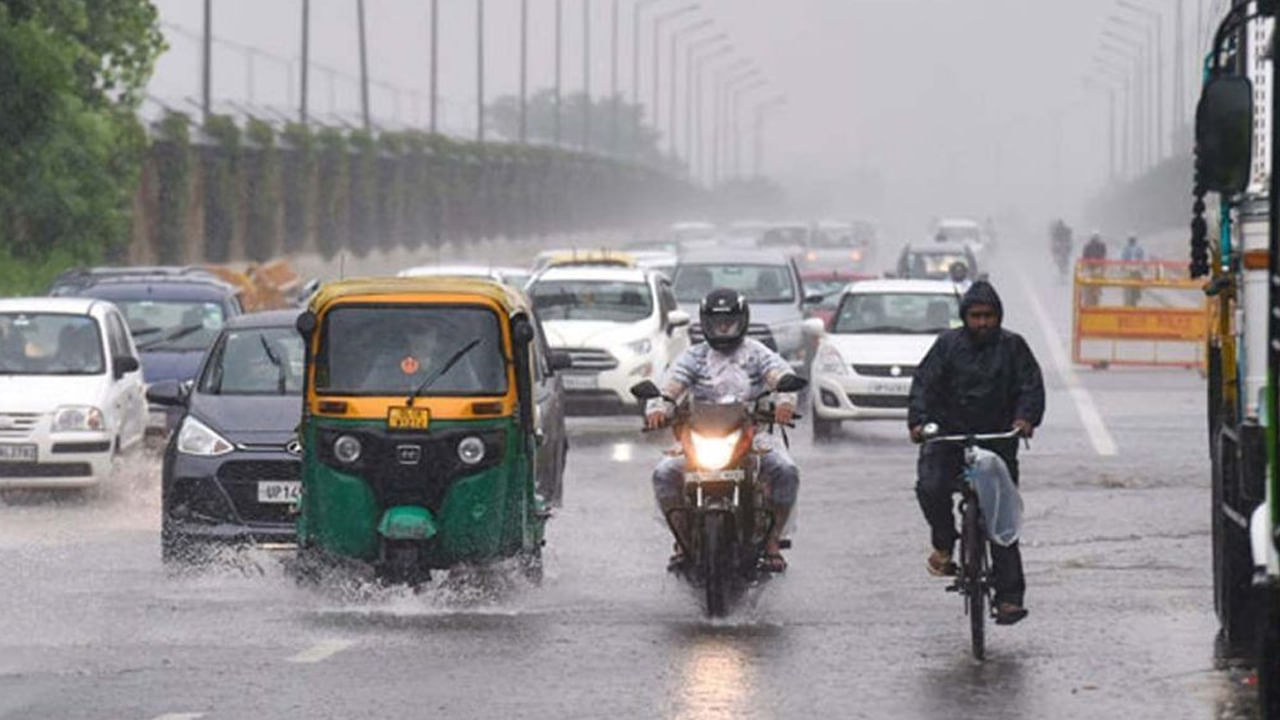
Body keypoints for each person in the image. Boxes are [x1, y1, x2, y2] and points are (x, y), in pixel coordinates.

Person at [907, 280, 1045, 626]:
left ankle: (1009, 597)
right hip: (949, 437)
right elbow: (924, 384)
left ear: (998, 316)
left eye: (988, 316)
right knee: (931, 486)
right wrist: (920, 423)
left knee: (1001, 517)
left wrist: (1025, 419)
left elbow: (1030, 386)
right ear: (964, 317)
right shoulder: (946, 346)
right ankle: (944, 543)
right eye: (975, 316)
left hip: (996, 439)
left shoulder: (1014, 347)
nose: (982, 323)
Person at [645, 287, 801, 572]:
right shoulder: (693, 357)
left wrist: (785, 401)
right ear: (705, 323)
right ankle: (682, 539)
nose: (723, 328)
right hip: (700, 438)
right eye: (717, 323)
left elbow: (780, 375)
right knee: (664, 473)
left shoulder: (757, 353)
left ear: (742, 321)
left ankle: (772, 540)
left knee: (785, 470)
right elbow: (671, 386)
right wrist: (658, 408)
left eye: (729, 322)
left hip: (753, 435)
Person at [1081, 231, 1108, 306]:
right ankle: (1092, 298)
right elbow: (1085, 257)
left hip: (1095, 267)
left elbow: (1103, 256)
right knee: (1089, 285)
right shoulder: (1089, 246)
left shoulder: (1099, 246)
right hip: (1091, 268)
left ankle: (1095, 294)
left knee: (1093, 284)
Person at [1121, 234, 1146, 307]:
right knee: (1127, 285)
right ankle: (1128, 301)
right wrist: (1123, 266)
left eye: (1133, 239)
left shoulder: (1139, 248)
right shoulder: (1126, 248)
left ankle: (1136, 297)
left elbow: (1142, 258)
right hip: (1128, 268)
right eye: (1131, 239)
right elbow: (1123, 258)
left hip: (1136, 268)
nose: (1132, 241)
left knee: (1137, 284)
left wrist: (1143, 266)